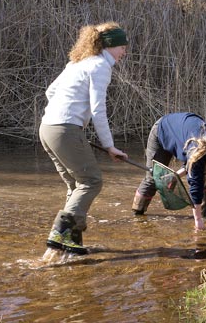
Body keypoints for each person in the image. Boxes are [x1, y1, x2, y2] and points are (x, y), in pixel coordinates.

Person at [39, 22, 129, 255]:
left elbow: (50, 92)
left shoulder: (77, 62)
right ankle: (59, 234)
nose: (124, 52)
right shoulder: (100, 66)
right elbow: (99, 110)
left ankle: (72, 243)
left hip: (48, 128)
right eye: (122, 47)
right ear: (110, 46)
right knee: (91, 181)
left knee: (75, 185)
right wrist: (109, 146)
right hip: (64, 130)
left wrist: (65, 117)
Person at [131, 112, 206, 230]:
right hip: (162, 132)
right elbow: (195, 184)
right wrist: (197, 221)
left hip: (182, 134)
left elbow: (191, 164)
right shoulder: (198, 146)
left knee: (203, 175)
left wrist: (175, 176)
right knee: (152, 179)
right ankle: (137, 216)